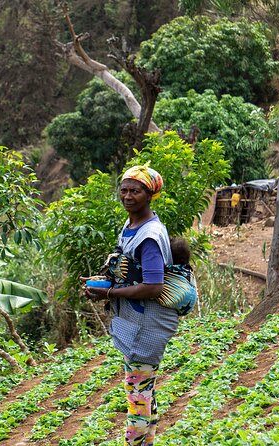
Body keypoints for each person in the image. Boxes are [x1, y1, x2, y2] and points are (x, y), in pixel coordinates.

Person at [83, 164, 177, 446]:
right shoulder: (132, 225)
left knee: (137, 397)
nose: (127, 195)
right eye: (123, 190)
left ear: (150, 195)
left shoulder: (149, 236)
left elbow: (153, 286)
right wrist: (105, 282)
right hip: (136, 323)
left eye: (135, 191)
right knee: (144, 391)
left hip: (147, 325)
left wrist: (110, 293)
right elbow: (131, 272)